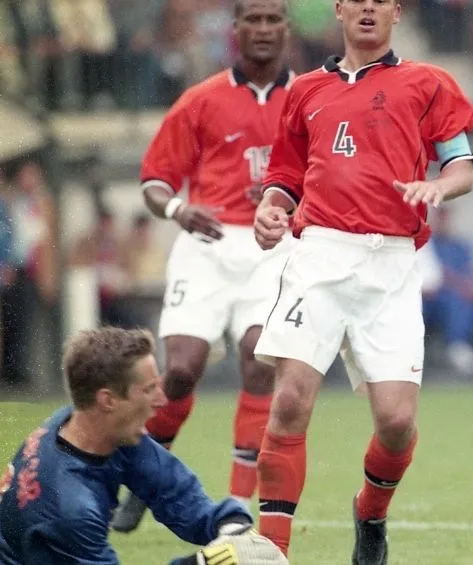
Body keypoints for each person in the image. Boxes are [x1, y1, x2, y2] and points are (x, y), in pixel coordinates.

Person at [250, 0, 473, 559]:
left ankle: (370, 513)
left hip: (393, 262)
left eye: (381, 0)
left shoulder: (429, 84)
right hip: (320, 256)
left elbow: (461, 167)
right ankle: (272, 550)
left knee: (397, 422)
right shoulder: (305, 90)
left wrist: (439, 189)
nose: (369, 8)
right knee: (288, 403)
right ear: (340, 10)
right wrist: (271, 208)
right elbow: (285, 175)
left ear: (396, 12)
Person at [111, 0, 296, 533]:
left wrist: (291, 196)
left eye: (273, 19)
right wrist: (177, 209)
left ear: (286, 27)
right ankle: (148, 482)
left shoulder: (309, 98)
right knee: (181, 370)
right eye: (253, 20)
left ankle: (236, 511)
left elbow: (330, 172)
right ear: (235, 29)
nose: (263, 29)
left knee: (260, 359)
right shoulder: (201, 99)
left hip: (273, 245)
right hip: (207, 244)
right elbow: (154, 182)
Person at [0, 327, 286, 565]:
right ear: (108, 400)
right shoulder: (70, 509)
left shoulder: (93, 426)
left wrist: (230, 527)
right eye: (149, 389)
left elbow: (172, 489)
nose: (162, 400)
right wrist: (206, 562)